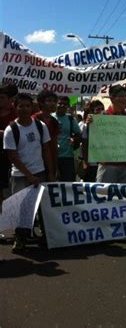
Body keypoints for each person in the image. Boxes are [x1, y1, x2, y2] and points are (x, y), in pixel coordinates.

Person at [3, 93, 54, 252]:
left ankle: (46, 236)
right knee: (21, 209)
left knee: (41, 207)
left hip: (40, 173)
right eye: (21, 106)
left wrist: (51, 172)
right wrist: (29, 175)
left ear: (32, 107)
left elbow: (46, 150)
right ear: (15, 107)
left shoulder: (40, 126)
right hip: (19, 176)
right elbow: (13, 156)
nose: (24, 109)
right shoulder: (10, 130)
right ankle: (20, 239)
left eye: (27, 106)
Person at [53, 96, 81, 181]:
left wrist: (75, 140)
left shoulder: (70, 119)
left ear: (68, 106)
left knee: (68, 184)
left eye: (64, 104)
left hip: (67, 157)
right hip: (52, 157)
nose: (62, 106)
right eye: (60, 103)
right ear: (56, 104)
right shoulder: (50, 118)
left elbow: (78, 134)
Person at [34, 90, 60, 180]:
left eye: (55, 101)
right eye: (49, 100)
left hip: (49, 165)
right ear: (41, 102)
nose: (53, 103)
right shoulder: (33, 120)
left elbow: (54, 147)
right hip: (35, 165)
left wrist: (54, 169)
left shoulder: (54, 122)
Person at [0, 84, 18, 205]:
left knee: (10, 191)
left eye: (2, 97)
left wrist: (5, 133)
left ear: (10, 99)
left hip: (11, 157)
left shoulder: (17, 113)